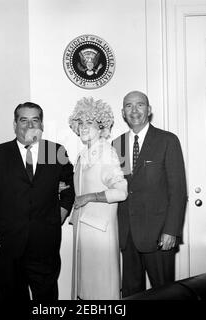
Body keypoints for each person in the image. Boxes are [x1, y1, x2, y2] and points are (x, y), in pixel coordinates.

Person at [0, 102, 75, 301]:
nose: (29, 125)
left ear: (42, 124)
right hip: (7, 243)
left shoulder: (54, 151)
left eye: (35, 120)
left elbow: (69, 189)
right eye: (23, 120)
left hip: (44, 243)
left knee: (47, 298)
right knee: (12, 296)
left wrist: (60, 214)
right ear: (15, 124)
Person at [112, 91, 187, 298]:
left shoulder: (167, 140)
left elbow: (178, 191)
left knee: (164, 293)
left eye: (140, 105)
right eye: (128, 106)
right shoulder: (116, 145)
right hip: (127, 235)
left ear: (149, 110)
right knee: (130, 294)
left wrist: (171, 230)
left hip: (159, 235)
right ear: (123, 113)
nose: (134, 110)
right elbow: (118, 188)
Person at [68, 97, 128, 300]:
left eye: (90, 123)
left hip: (100, 233)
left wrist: (90, 197)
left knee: (101, 291)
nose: (84, 127)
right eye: (81, 122)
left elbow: (121, 191)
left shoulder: (107, 153)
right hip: (83, 232)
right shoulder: (83, 155)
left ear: (101, 126)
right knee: (85, 291)